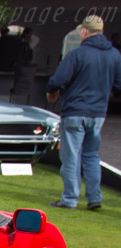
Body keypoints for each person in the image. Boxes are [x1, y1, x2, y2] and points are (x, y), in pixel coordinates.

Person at [46, 15, 121, 210]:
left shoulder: (77, 54)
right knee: (91, 155)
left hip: (75, 111)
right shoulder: (114, 55)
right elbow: (119, 84)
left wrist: (52, 91)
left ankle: (70, 199)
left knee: (71, 156)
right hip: (98, 113)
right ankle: (94, 197)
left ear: (85, 31)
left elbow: (58, 79)